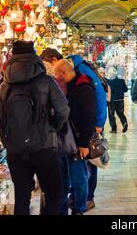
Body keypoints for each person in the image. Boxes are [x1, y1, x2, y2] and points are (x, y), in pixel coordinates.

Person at [0, 41, 70, 215]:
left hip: (16, 151)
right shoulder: (46, 81)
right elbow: (63, 110)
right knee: (53, 194)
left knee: (22, 197)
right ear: (34, 56)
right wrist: (52, 129)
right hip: (44, 148)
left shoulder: (5, 86)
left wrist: (8, 140)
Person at [54, 59, 96, 215]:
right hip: (64, 140)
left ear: (64, 73)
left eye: (58, 75)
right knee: (63, 178)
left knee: (79, 178)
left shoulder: (84, 88)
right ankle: (62, 208)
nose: (57, 78)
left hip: (77, 141)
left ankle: (79, 208)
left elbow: (89, 117)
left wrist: (84, 144)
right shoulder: (65, 87)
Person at [67, 55, 107, 211]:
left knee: (90, 160)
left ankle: (87, 198)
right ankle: (80, 197)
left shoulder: (82, 72)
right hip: (84, 128)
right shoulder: (80, 70)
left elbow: (99, 95)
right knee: (86, 163)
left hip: (89, 127)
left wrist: (99, 122)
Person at [106, 66, 128, 133]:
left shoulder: (107, 81)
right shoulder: (121, 80)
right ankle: (124, 123)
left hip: (112, 101)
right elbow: (126, 90)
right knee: (120, 113)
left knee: (111, 115)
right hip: (120, 100)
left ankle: (114, 129)